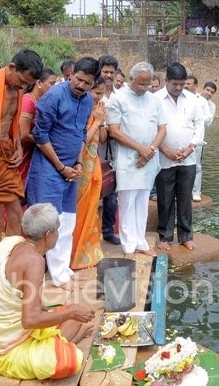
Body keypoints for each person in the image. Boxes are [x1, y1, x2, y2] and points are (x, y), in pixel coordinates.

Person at [0, 203, 95, 380]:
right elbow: (30, 320)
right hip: (1, 350)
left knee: (71, 317)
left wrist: (66, 312)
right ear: (48, 235)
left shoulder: (12, 244)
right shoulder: (34, 261)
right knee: (71, 360)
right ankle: (66, 343)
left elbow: (24, 300)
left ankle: (63, 340)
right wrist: (71, 311)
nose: (58, 235)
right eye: (57, 231)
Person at [26, 57, 99, 290]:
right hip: (49, 167)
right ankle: (57, 275)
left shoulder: (88, 100)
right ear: (71, 74)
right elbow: (40, 136)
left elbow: (80, 133)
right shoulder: (53, 97)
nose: (80, 85)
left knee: (68, 221)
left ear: (92, 83)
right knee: (52, 222)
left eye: (86, 83)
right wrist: (60, 167)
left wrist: (77, 163)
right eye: (78, 79)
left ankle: (64, 268)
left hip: (71, 168)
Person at [0, 49, 44, 248]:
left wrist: (18, 147)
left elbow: (13, 122)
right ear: (12, 68)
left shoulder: (18, 89)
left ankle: (8, 258)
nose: (22, 86)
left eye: (26, 84)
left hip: (7, 152)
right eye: (21, 81)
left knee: (15, 211)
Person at [106, 61, 166, 259]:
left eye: (147, 84)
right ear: (131, 80)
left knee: (142, 201)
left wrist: (150, 150)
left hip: (149, 157)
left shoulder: (155, 100)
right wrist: (141, 149)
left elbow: (162, 129)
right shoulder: (118, 99)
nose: (144, 88)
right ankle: (128, 246)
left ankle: (140, 241)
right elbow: (114, 131)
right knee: (127, 201)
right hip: (128, 158)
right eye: (141, 84)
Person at [154, 63, 204, 251]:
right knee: (165, 199)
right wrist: (164, 149)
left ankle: (185, 235)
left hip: (188, 158)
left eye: (182, 84)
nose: (178, 88)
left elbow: (199, 125)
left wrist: (191, 147)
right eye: (175, 84)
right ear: (166, 80)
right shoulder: (155, 99)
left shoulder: (193, 100)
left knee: (184, 198)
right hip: (164, 157)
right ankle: (165, 236)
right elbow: (151, 127)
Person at [70, 76, 107, 270]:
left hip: (93, 165)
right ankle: (74, 255)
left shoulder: (97, 110)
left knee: (92, 209)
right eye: (97, 93)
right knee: (78, 210)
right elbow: (81, 141)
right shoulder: (80, 110)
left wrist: (101, 122)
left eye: (102, 94)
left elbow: (101, 139)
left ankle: (87, 251)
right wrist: (96, 121)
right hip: (79, 165)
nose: (99, 98)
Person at [18, 67, 58, 186]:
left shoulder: (42, 102)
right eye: (51, 83)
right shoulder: (28, 101)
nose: (54, 87)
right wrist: (47, 143)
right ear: (39, 83)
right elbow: (23, 135)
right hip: (23, 153)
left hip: (34, 153)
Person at [97, 55, 121, 246]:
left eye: (111, 72)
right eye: (105, 71)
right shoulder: (95, 95)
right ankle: (88, 235)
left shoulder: (120, 95)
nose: (108, 75)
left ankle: (108, 231)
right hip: (95, 150)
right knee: (91, 194)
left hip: (115, 152)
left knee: (112, 195)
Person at [192, 81, 217, 202]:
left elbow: (208, 122)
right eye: (207, 90)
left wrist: (198, 116)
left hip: (199, 139)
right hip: (185, 136)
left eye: (212, 92)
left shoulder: (211, 106)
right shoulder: (193, 98)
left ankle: (196, 191)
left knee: (197, 166)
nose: (209, 93)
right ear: (202, 88)